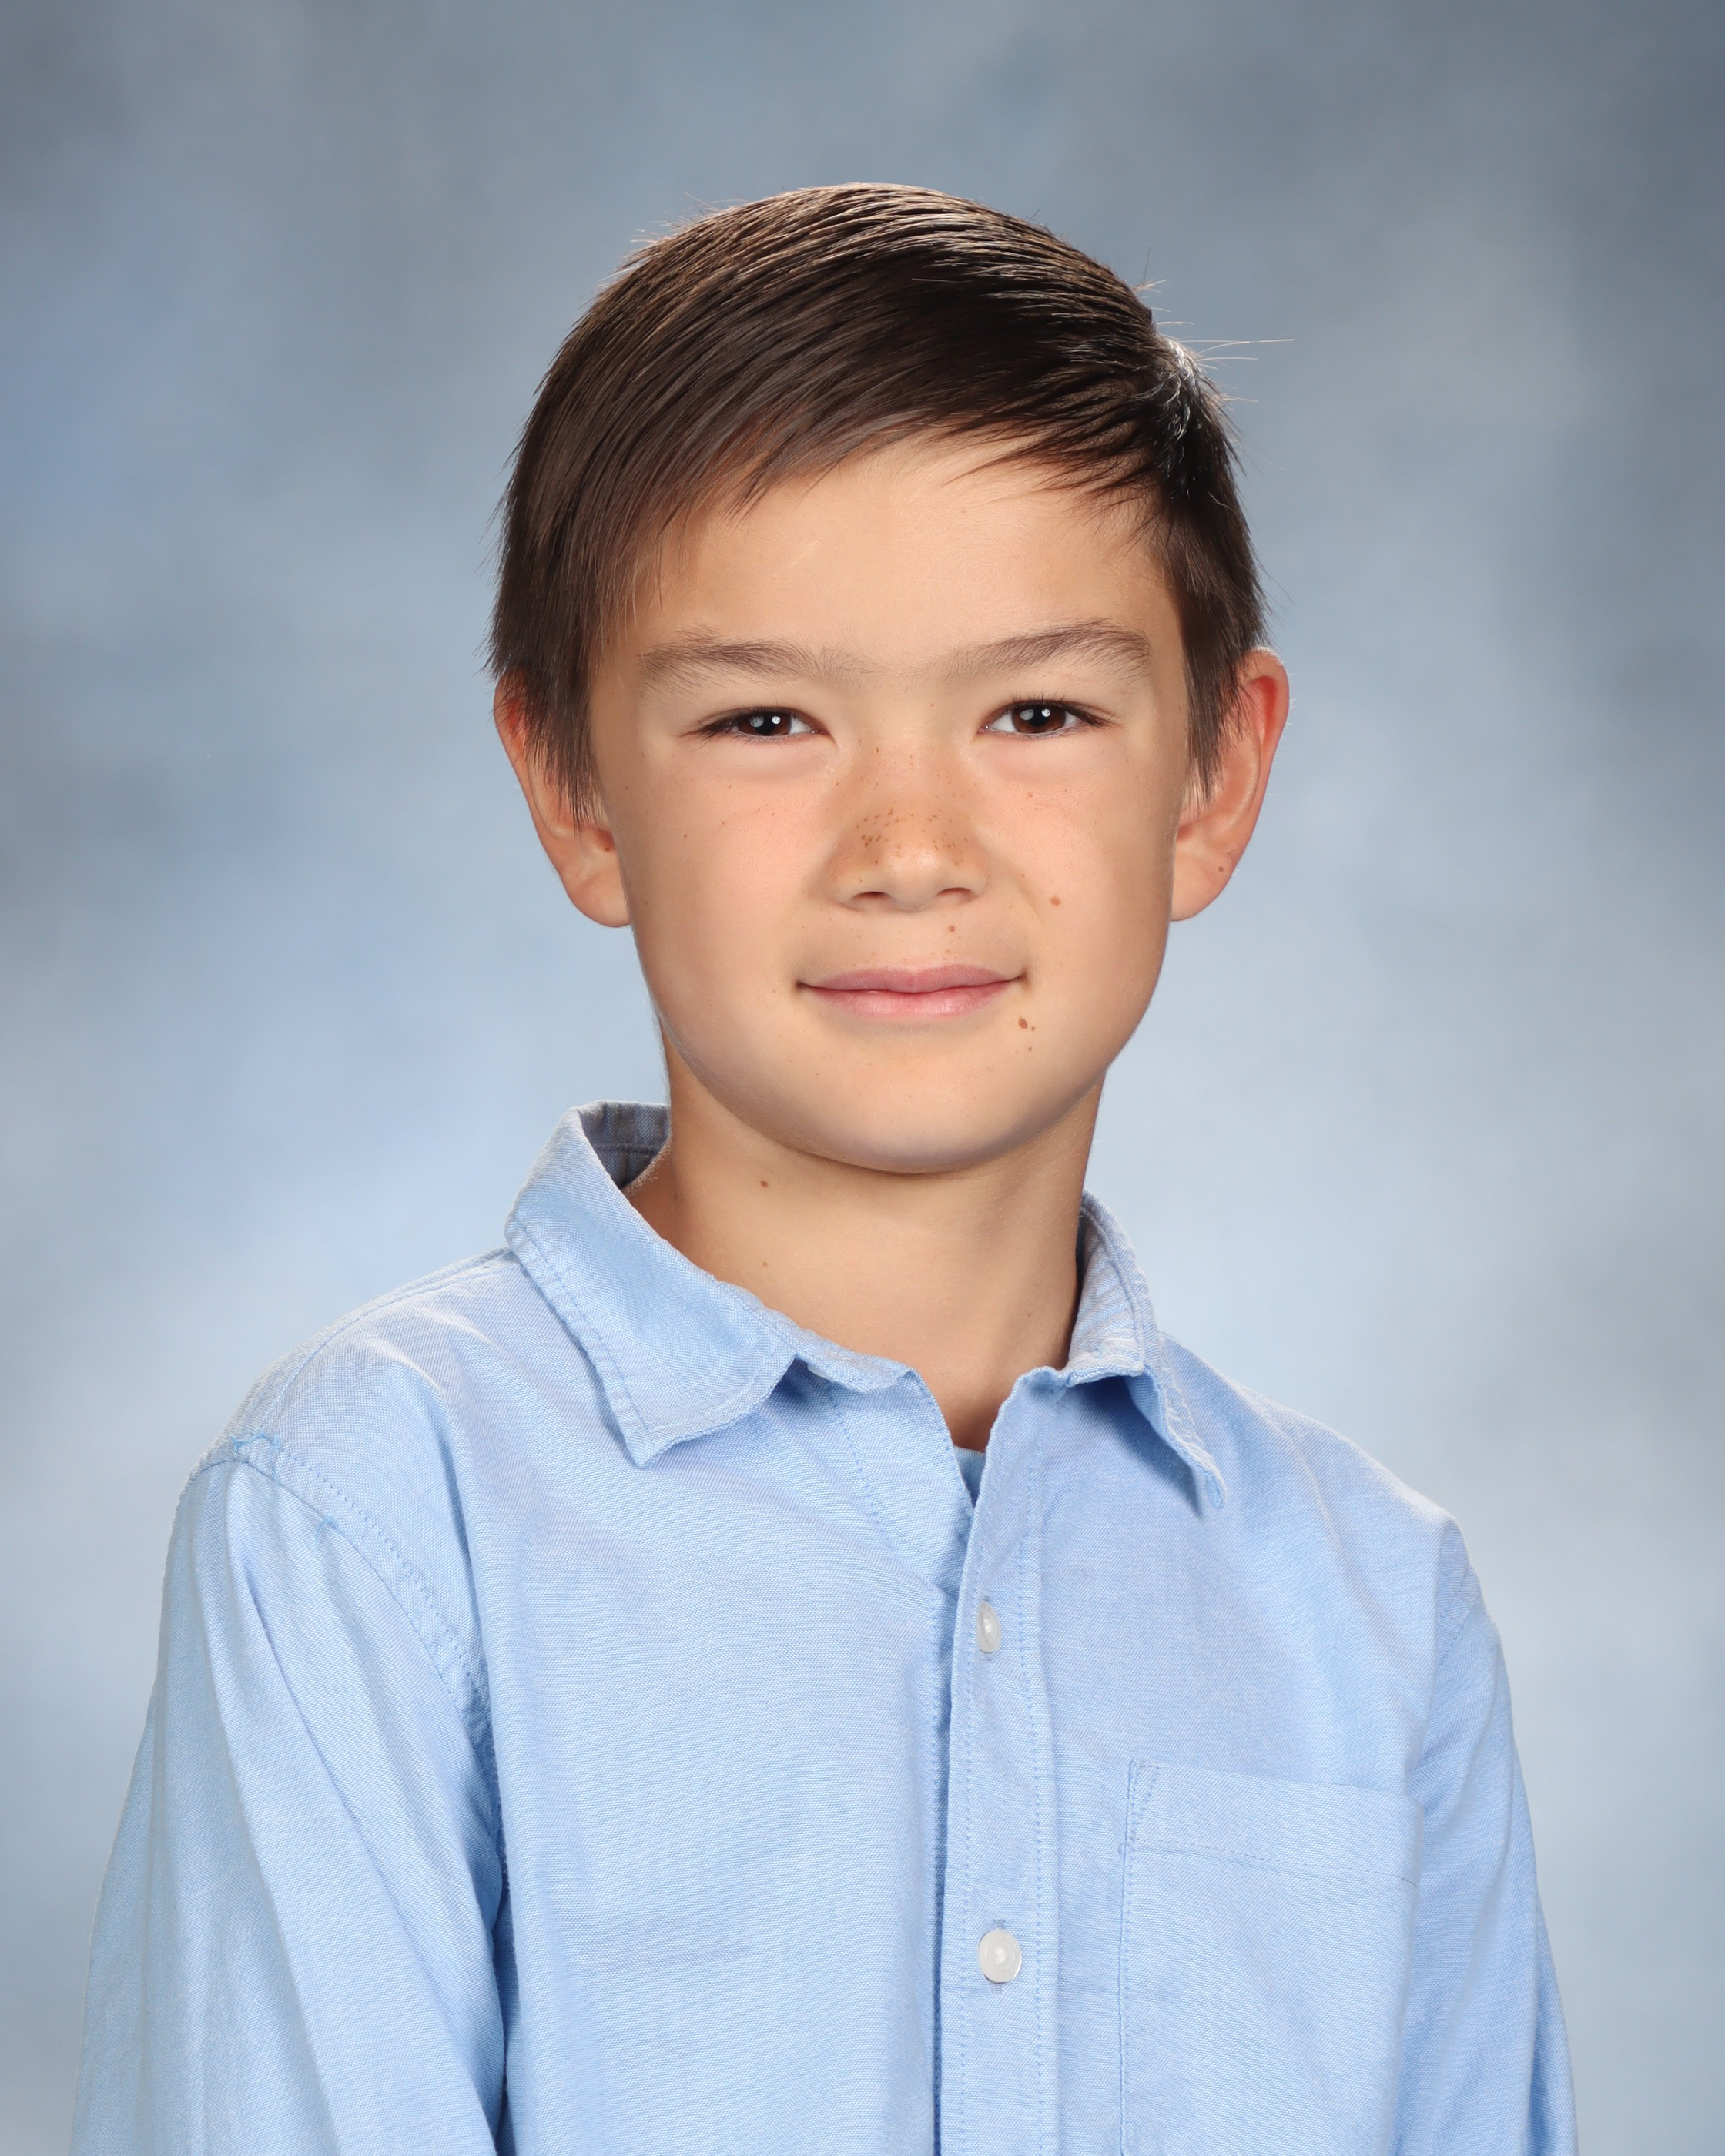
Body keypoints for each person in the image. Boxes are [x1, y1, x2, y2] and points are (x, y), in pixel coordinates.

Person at [71, 185, 1576, 2156]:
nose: (910, 845)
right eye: (766, 717)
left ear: (1213, 775)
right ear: (575, 789)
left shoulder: (1370, 1602)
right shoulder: (375, 1512)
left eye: (1036, 710)